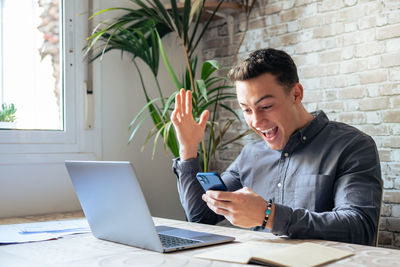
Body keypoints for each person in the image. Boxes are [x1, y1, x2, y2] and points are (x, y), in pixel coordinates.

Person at [171, 48, 382, 246]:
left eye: (266, 107)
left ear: (296, 95)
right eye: (247, 110)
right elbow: (201, 217)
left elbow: (359, 228)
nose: (256, 121)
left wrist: (270, 216)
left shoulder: (352, 146)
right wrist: (188, 149)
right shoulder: (251, 154)